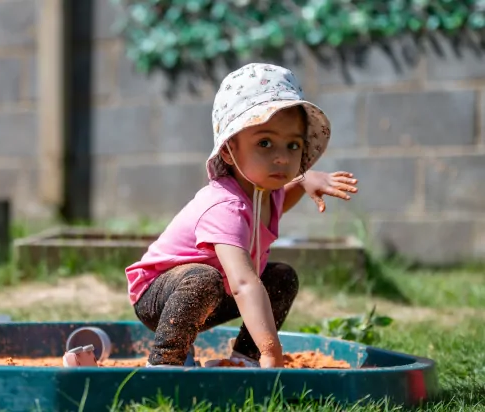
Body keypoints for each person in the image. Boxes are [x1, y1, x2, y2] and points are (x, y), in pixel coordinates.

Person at [125, 63, 359, 368]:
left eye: (293, 145)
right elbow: (244, 284)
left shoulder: (266, 191)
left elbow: (273, 209)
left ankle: (244, 359)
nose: (282, 157)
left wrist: (304, 181)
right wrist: (273, 351)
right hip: (161, 296)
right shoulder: (225, 206)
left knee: (281, 277)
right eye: (265, 142)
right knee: (205, 280)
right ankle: (167, 362)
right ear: (228, 150)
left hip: (211, 293)